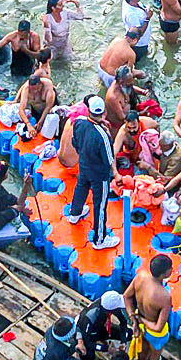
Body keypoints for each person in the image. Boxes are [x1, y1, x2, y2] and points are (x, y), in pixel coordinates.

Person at [67, 100, 118, 249]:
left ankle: (75, 213)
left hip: (84, 165)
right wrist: (115, 173)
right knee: (100, 205)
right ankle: (100, 239)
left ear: (88, 110)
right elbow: (109, 159)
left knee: (80, 188)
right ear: (103, 113)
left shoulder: (79, 122)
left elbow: (74, 142)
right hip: (99, 175)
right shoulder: (103, 135)